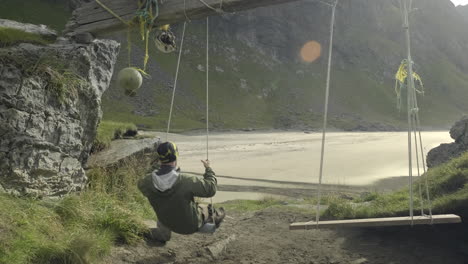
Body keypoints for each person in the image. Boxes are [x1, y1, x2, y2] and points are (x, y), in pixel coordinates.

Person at [138, 141, 225, 243]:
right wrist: (208, 169)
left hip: (167, 222)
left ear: (159, 158)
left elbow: (148, 179)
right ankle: (217, 218)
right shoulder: (186, 180)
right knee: (207, 208)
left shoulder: (146, 182)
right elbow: (210, 189)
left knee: (168, 206)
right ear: (176, 156)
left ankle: (163, 234)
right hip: (189, 227)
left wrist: (156, 167)